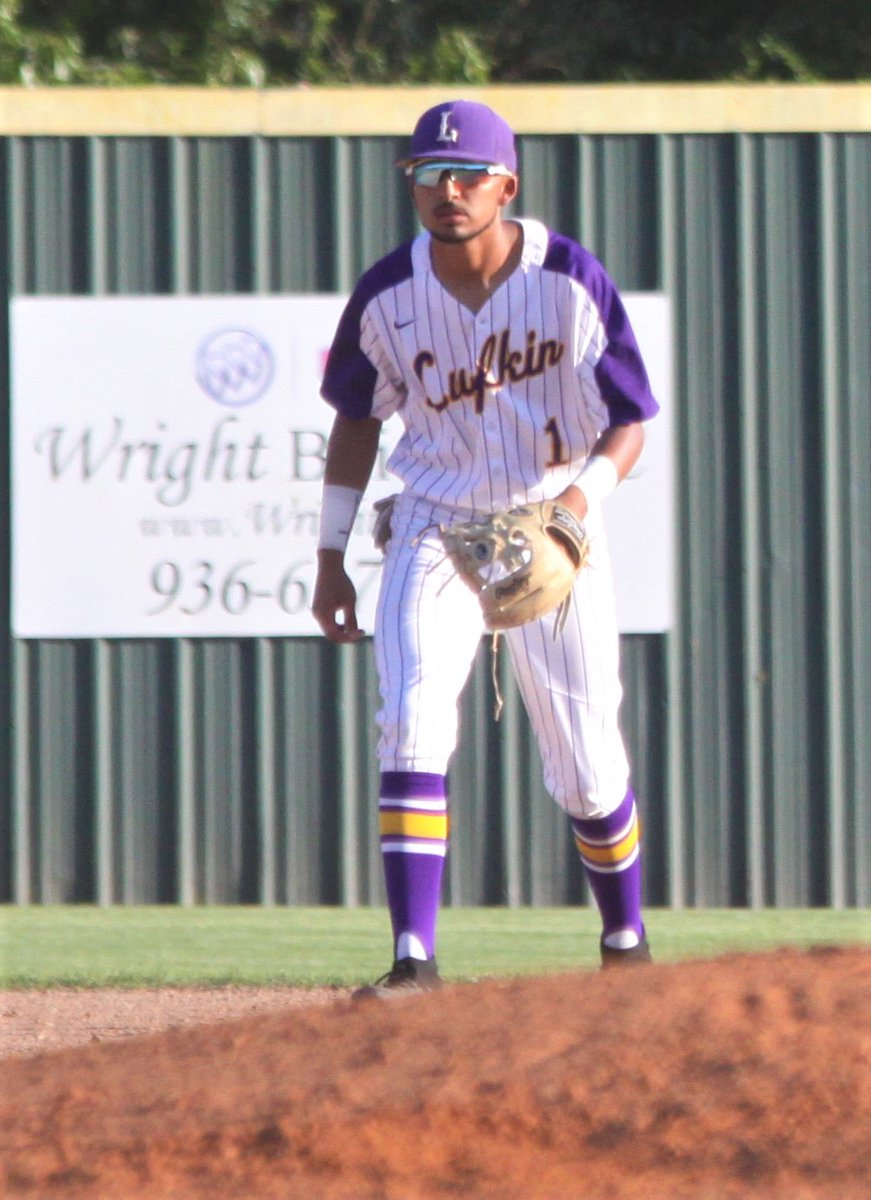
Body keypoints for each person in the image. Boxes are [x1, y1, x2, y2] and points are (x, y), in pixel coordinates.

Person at [312, 99, 659, 995]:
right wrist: (328, 557)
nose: (449, 189)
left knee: (585, 761)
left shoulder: (569, 277)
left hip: (550, 520)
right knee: (413, 715)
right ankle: (413, 960)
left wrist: (578, 507)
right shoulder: (388, 293)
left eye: (468, 175)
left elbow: (629, 422)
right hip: (435, 520)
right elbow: (356, 419)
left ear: (507, 184)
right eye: (431, 173)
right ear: (412, 185)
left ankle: (624, 941)